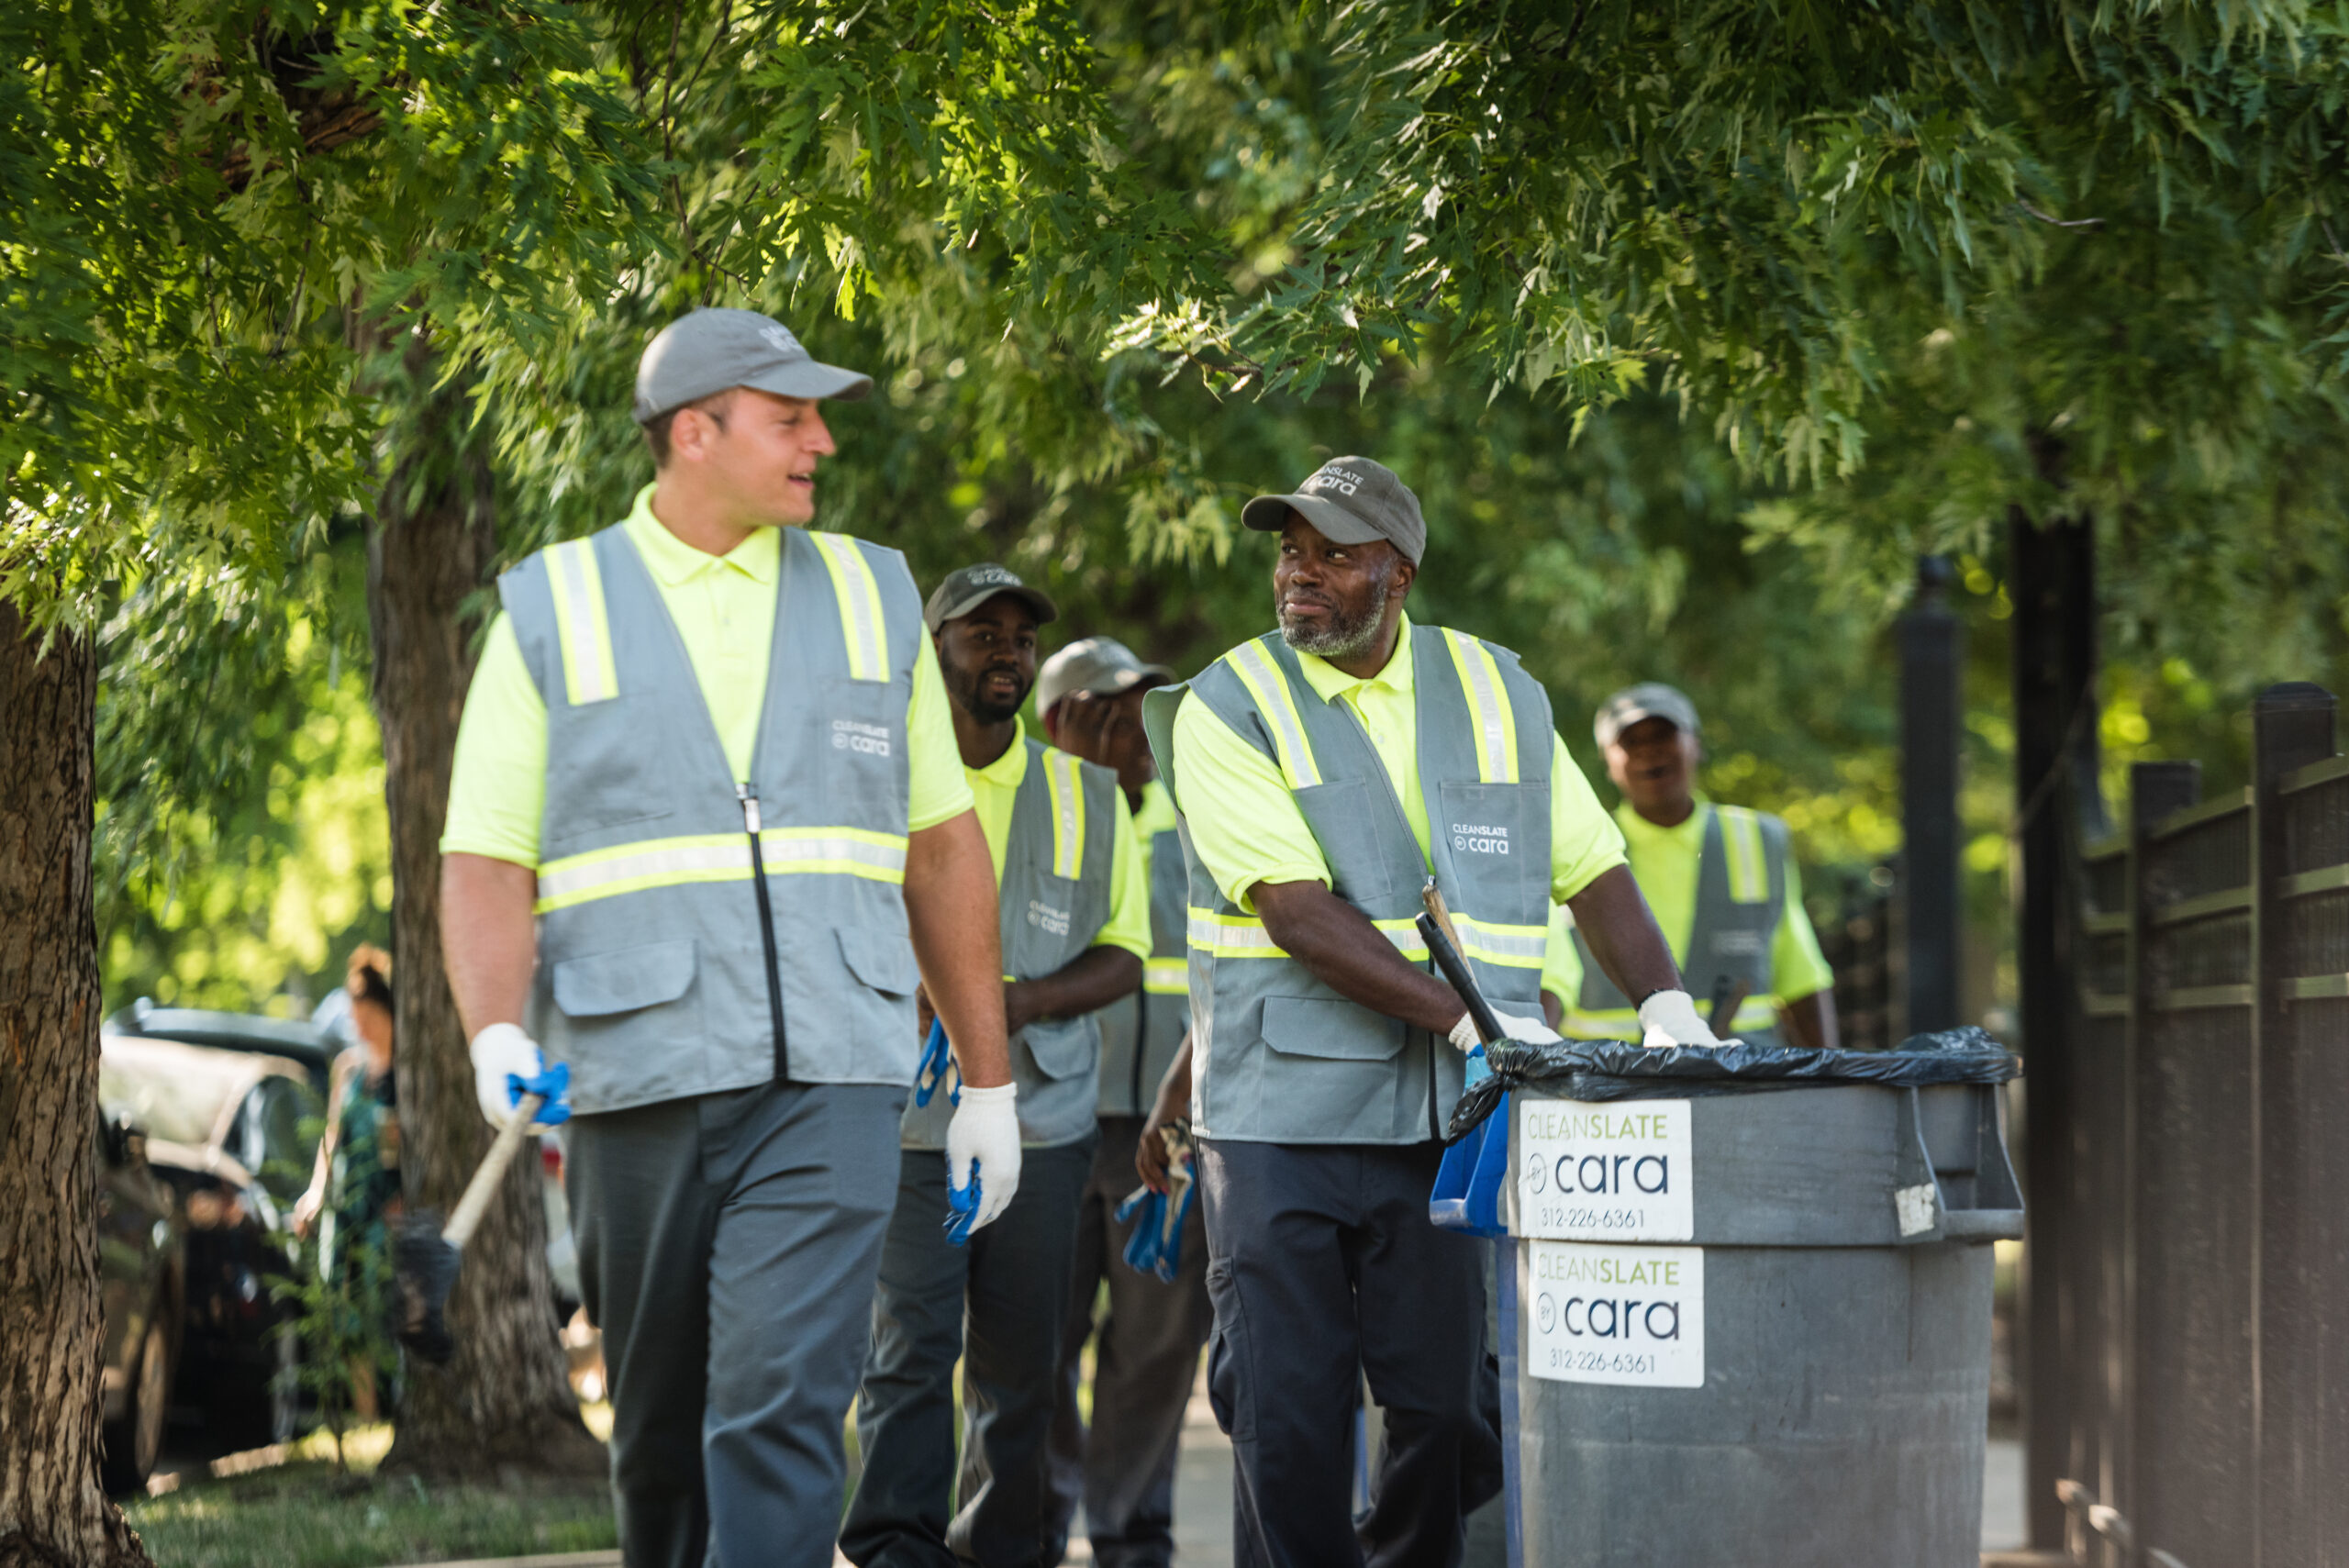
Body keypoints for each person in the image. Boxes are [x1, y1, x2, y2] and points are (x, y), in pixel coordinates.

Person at [436, 308, 1020, 1568]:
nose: (820, 441)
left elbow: (942, 848)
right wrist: (491, 1028)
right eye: (789, 417)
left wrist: (989, 1080)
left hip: (834, 1077)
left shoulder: (873, 592)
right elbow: (487, 855)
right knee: (658, 1438)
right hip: (634, 1077)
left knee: (779, 1403)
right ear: (694, 434)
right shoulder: (557, 606)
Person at [1140, 456, 1726, 1567]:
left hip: (1450, 1128)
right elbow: (1299, 916)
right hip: (1279, 1121)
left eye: (1332, 553)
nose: (1298, 574)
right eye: (1289, 550)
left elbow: (1592, 866)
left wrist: (1665, 1002)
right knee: (1289, 1415)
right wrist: (1471, 1025)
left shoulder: (1499, 691)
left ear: (1396, 573)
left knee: (1454, 1412)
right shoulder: (1228, 704)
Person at [842, 566, 1152, 1568]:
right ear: (933, 653)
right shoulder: (878, 776)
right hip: (906, 1123)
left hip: (1045, 1124)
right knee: (910, 1356)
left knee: (1024, 1368)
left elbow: (1125, 952)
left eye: (1022, 635)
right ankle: (896, 1546)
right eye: (983, 632)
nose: (1007, 649)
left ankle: (1002, 1551)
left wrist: (1004, 1005)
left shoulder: (1086, 793)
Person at [1033, 637, 1212, 1568]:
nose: (1135, 725)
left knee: (1153, 1349)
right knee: (1039, 1339)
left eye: (1144, 705)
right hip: (1046, 1121)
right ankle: (1036, 1519)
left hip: (1164, 1131)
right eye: (1110, 707)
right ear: (1059, 720)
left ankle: (1128, 1536)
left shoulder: (1195, 814)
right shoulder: (1031, 815)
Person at [1546, 683, 1840, 1051]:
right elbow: (1550, 977)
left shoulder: (1758, 839)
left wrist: (1830, 1079)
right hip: (1611, 1081)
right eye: (1630, 742)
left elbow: (1800, 974)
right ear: (1607, 761)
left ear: (1696, 745)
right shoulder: (1579, 842)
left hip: (1741, 1074)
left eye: (1663, 735)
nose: (1650, 750)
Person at [293, 945, 403, 1418]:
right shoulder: (349, 1070)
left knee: (386, 1304)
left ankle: (395, 1401)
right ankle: (365, 1412)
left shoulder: (406, 1072)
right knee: (345, 1305)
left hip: (387, 1205)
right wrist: (315, 1193)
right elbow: (331, 1137)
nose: (358, 1027)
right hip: (346, 1202)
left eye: (364, 1016)